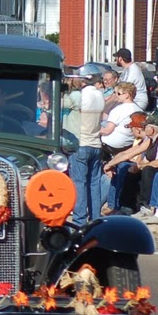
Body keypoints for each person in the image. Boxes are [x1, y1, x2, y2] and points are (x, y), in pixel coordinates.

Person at [67, 69, 106, 223]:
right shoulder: (99, 95)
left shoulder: (79, 96)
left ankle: (79, 220)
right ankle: (95, 217)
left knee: (79, 183)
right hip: (96, 143)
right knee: (94, 183)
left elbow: (58, 103)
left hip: (81, 143)